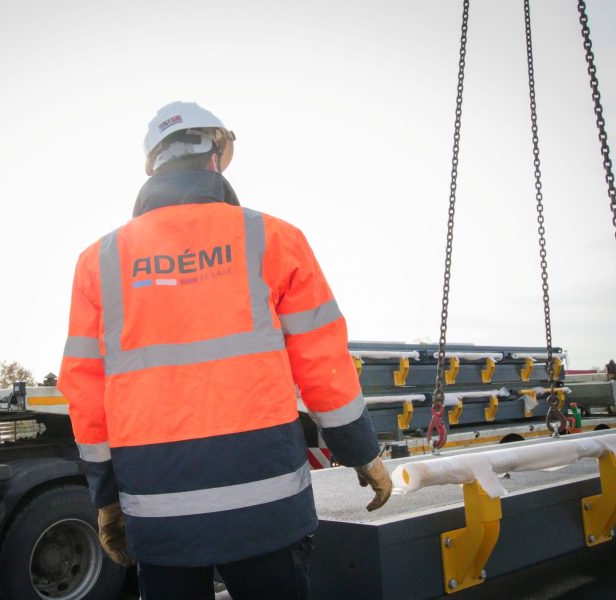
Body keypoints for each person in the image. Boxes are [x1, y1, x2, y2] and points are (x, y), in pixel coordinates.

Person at [57, 101, 392, 600]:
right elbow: (323, 365)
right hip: (268, 507)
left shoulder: (99, 261)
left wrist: (106, 499)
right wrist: (361, 452)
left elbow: (86, 394)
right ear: (215, 155)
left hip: (158, 511)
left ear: (154, 166)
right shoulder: (274, 239)